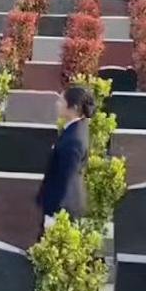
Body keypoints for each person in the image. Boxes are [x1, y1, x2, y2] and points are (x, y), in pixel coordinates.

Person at [38, 85, 95, 228]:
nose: (57, 104)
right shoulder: (75, 129)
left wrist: (54, 214)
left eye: (62, 101)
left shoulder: (74, 140)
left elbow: (66, 178)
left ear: (73, 107)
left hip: (63, 208)